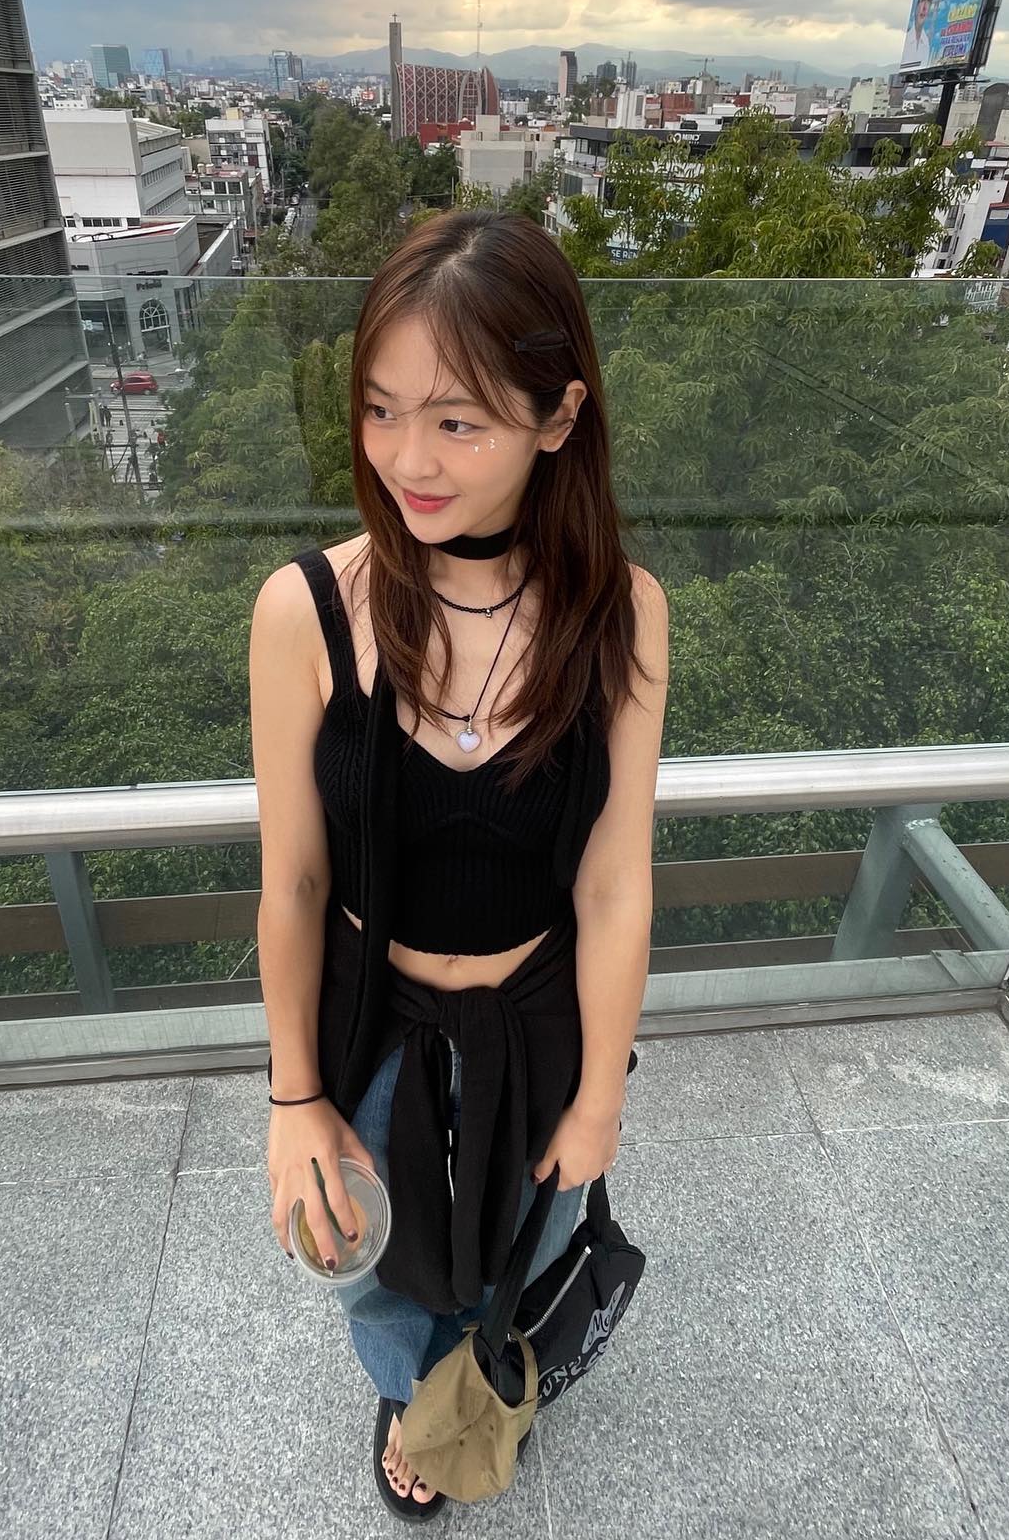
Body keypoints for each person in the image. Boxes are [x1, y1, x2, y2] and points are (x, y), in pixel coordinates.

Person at [249, 209, 668, 1519]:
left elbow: (614, 882)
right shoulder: (308, 610)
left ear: (559, 416)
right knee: (372, 1264)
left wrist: (600, 1098)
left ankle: (476, 1391)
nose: (407, 460)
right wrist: (295, 1096)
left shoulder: (621, 614)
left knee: (523, 1240)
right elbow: (293, 883)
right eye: (381, 410)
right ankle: (407, 1392)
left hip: (536, 1020)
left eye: (457, 420)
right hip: (370, 1020)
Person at [901, 0, 939, 70]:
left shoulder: (926, 44)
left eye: (929, 0)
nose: (925, 7)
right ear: (917, 2)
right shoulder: (907, 40)